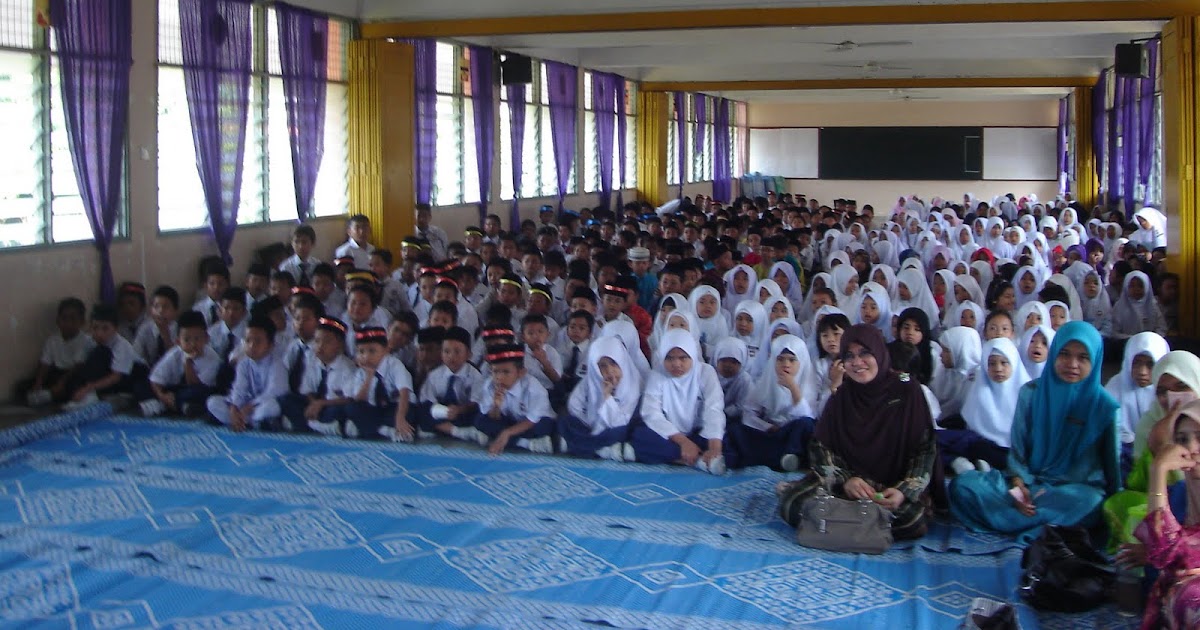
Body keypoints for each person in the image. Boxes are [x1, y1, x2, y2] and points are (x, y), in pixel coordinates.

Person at [949, 321, 1121, 542]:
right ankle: (1049, 528)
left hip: (1073, 491)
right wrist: (1019, 486)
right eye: (1065, 354)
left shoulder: (1105, 407)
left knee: (1092, 503)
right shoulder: (1031, 393)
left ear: (1096, 360)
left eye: (1083, 358)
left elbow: (1112, 471)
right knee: (963, 486)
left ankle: (1018, 522)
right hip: (1029, 483)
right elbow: (1018, 452)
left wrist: (1114, 506)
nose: (1072, 364)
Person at [776, 324, 940, 542]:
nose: (857, 362)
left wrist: (903, 490)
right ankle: (868, 524)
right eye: (849, 356)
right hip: (847, 487)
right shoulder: (842, 395)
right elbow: (821, 446)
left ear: (879, 353)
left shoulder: (907, 388)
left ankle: (832, 522)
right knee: (791, 504)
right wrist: (846, 480)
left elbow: (925, 448)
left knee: (913, 518)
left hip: (891, 488)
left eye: (865, 353)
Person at [1133, 399, 1200, 630]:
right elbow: (1164, 550)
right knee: (1184, 593)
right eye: (1182, 440)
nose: (1191, 448)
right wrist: (1158, 470)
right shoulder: (1185, 490)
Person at [627, 329, 727, 474]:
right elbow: (651, 413)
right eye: (669, 358)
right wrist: (684, 442)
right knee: (641, 436)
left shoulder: (706, 372)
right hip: (671, 435)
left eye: (683, 357)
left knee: (729, 444)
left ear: (692, 355)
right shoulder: (657, 375)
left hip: (699, 432)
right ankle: (698, 461)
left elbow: (714, 408)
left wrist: (714, 449)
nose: (676, 364)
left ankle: (687, 457)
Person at [941, 338, 1031, 474]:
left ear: (1014, 363)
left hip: (1012, 452)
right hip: (979, 444)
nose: (998, 369)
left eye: (1004, 363)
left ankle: (978, 463)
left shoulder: (1027, 394)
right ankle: (960, 462)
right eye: (992, 364)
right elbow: (970, 424)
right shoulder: (979, 390)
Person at [731, 334, 817, 471]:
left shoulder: (809, 384)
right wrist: (767, 427)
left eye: (792, 360)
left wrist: (793, 388)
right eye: (780, 359)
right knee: (736, 429)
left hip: (792, 433)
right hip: (770, 433)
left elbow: (807, 416)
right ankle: (780, 459)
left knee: (806, 425)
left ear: (801, 362)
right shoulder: (766, 381)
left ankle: (790, 456)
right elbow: (748, 413)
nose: (786, 365)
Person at [556, 336, 642, 461]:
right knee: (565, 421)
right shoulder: (591, 378)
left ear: (622, 361)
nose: (609, 371)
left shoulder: (632, 383)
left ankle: (579, 446)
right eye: (602, 366)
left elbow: (620, 422)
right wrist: (588, 421)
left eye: (613, 363)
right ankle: (601, 450)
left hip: (615, 428)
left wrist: (607, 397)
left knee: (624, 432)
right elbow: (574, 404)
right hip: (590, 426)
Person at [205, 316, 286, 431]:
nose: (252, 346)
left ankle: (246, 421)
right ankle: (245, 421)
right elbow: (239, 389)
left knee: (271, 407)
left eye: (258, 341)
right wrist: (234, 408)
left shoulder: (277, 364)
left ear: (270, 345)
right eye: (248, 341)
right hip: (245, 407)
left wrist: (249, 408)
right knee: (213, 402)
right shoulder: (244, 363)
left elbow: (274, 392)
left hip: (259, 406)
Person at [472, 343, 555, 454]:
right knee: (480, 421)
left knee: (543, 427)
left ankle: (502, 438)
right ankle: (526, 444)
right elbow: (492, 416)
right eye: (495, 372)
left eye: (506, 372)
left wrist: (506, 433)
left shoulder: (534, 388)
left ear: (521, 372)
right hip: (509, 421)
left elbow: (531, 420)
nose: (499, 377)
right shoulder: (490, 385)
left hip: (531, 423)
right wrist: (496, 406)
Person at [1106, 332, 1171, 472]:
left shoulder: (1168, 391)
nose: (1142, 371)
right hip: (1121, 452)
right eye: (1136, 363)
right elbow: (1107, 426)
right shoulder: (1116, 386)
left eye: (1150, 364)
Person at [279, 316, 355, 433]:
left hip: (331, 405)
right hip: (315, 405)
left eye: (327, 341)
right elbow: (307, 390)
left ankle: (309, 425)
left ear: (340, 345)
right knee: (287, 400)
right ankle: (318, 426)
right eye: (317, 341)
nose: (320, 346)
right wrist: (314, 403)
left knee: (341, 411)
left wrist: (321, 403)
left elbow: (349, 399)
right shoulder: (312, 360)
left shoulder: (347, 367)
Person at [138, 311, 220, 417]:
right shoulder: (175, 353)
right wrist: (162, 395)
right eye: (187, 340)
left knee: (198, 393)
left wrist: (188, 362)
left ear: (206, 338)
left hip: (195, 389)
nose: (193, 344)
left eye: (197, 339)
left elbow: (194, 384)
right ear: (178, 341)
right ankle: (176, 406)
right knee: (141, 386)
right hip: (173, 389)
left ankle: (164, 406)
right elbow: (155, 378)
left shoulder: (212, 358)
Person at [64, 304, 146, 407]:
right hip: (104, 376)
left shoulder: (122, 345)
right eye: (95, 327)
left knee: (101, 353)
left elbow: (116, 377)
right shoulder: (89, 341)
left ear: (115, 328)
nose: (99, 333)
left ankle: (116, 396)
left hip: (131, 377)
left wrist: (88, 388)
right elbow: (80, 365)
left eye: (105, 328)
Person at [413, 326, 483, 442]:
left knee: (480, 416)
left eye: (457, 352)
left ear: (468, 354)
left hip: (463, 413)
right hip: (444, 413)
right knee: (422, 410)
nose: (451, 356)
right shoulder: (434, 375)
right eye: (447, 351)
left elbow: (476, 403)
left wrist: (459, 409)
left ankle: (442, 429)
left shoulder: (475, 376)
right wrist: (442, 410)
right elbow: (427, 401)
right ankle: (456, 432)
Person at [19, 297, 92, 406]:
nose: (67, 323)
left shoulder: (85, 341)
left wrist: (61, 383)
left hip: (73, 374)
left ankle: (51, 396)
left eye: (73, 319)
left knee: (73, 387)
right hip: (57, 373)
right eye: (64, 318)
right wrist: (39, 382)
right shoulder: (53, 340)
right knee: (22, 386)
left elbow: (78, 366)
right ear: (58, 320)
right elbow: (45, 363)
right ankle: (49, 395)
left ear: (82, 322)